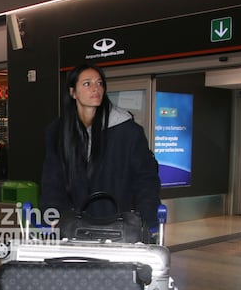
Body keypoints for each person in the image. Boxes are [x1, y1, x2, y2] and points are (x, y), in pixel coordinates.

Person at [40, 63, 161, 235]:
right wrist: (51, 216)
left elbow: (146, 178)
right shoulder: (58, 131)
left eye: (99, 83)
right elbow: (52, 180)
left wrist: (147, 220)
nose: (95, 88)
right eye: (87, 84)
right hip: (74, 227)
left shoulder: (128, 131)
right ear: (73, 92)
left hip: (120, 227)